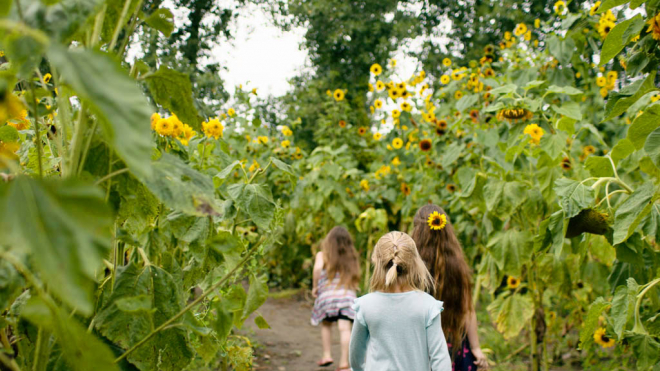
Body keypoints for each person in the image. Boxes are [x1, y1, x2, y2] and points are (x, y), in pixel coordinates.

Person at [349, 231, 451, 371]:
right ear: (415, 262)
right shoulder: (428, 305)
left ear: (376, 261)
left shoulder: (366, 305)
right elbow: (440, 358)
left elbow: (355, 355)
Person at [412, 204, 489, 370]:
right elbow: (467, 310)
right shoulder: (457, 265)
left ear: (416, 231)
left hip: (420, 346)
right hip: (452, 344)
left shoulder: (411, 266)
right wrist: (476, 348)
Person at [311, 226, 361, 370]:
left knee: (326, 324)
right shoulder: (351, 256)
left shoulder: (323, 254)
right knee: (344, 328)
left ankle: (327, 355)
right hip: (346, 296)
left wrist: (315, 286)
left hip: (327, 296)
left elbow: (317, 269)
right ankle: (344, 363)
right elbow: (355, 276)